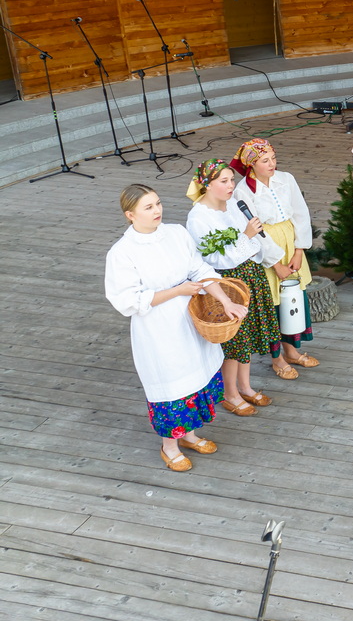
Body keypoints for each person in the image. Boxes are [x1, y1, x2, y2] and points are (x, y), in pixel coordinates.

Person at [105, 184, 247, 471]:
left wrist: (225, 301)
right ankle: (169, 447)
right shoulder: (122, 253)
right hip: (158, 329)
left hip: (191, 318)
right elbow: (127, 301)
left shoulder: (176, 234)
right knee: (173, 386)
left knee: (198, 377)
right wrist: (178, 291)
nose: (157, 210)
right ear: (130, 215)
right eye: (148, 207)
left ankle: (190, 436)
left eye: (157, 203)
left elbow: (201, 271)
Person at [186, 160, 284, 417]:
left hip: (250, 276)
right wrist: (246, 237)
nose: (231, 186)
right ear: (206, 185)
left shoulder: (234, 206)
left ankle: (245, 387)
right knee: (235, 341)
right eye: (224, 181)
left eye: (231, 180)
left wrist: (248, 240)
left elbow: (251, 248)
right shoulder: (198, 217)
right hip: (226, 285)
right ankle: (230, 393)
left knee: (247, 335)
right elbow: (217, 259)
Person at [231, 138, 319, 379]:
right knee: (274, 303)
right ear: (251, 164)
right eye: (265, 160)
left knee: (294, 298)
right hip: (267, 247)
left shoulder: (286, 179)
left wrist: (299, 250)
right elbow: (255, 231)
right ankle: (277, 358)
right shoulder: (243, 191)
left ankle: (292, 350)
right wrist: (275, 263)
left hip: (290, 241)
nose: (272, 164)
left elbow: (301, 213)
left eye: (273, 158)